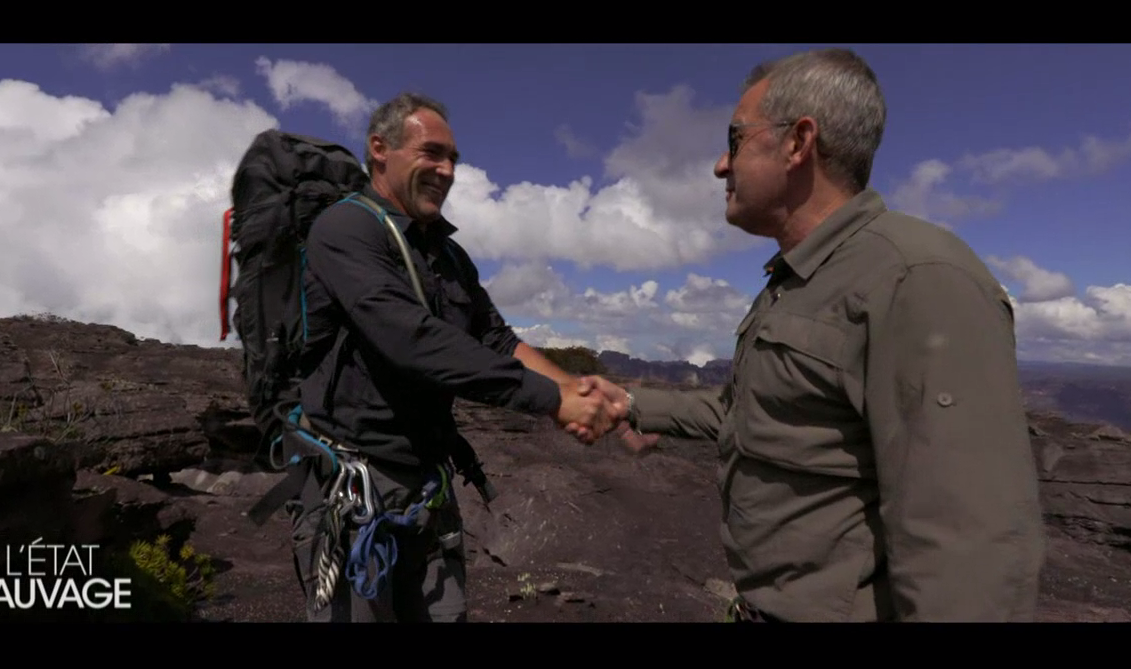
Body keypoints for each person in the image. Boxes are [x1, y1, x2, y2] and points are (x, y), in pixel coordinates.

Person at [570, 48, 1046, 622]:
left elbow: (970, 543)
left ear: (798, 142)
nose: (721, 165)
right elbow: (755, 411)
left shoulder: (915, 278)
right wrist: (633, 403)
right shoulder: (799, 278)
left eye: (736, 138)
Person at [289, 92, 623, 623]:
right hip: (354, 492)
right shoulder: (344, 230)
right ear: (380, 149)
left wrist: (576, 392)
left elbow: (496, 339)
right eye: (432, 154)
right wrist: (551, 402)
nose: (446, 171)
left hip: (428, 487)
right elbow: (411, 339)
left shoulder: (447, 254)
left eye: (453, 160)